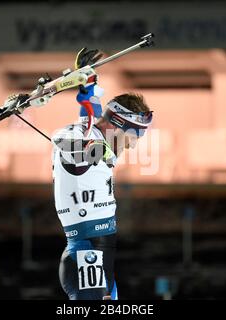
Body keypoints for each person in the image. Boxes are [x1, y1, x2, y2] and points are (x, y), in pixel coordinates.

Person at [52, 48, 153, 300]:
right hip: (85, 256)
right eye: (136, 134)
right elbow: (61, 139)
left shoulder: (107, 141)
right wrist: (89, 150)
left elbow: (92, 113)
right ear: (118, 125)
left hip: (101, 265)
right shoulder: (85, 136)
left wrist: (88, 79)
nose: (135, 143)